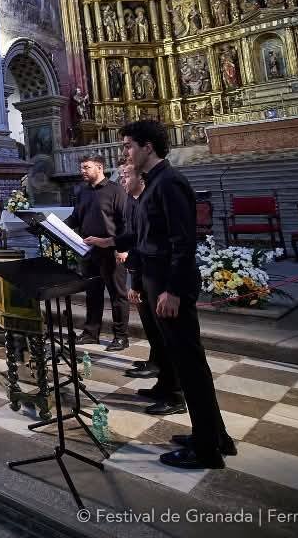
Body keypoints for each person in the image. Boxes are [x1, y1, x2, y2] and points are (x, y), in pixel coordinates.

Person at [86, 121, 235, 470]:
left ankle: (207, 450)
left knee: (190, 366)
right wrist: (109, 242)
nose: (125, 153)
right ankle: (216, 436)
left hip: (168, 284)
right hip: (155, 280)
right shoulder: (153, 185)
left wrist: (173, 290)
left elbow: (183, 243)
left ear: (148, 147)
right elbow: (144, 236)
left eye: (128, 146)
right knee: (187, 363)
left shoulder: (169, 183)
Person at [117, 164, 181, 413]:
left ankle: (176, 395)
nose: (122, 178)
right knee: (156, 336)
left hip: (159, 278)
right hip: (145, 276)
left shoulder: (161, 191)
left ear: (141, 179)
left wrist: (168, 288)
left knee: (168, 340)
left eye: (126, 175)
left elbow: (146, 244)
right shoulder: (134, 202)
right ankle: (164, 385)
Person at [67, 154, 130, 351]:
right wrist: (53, 226)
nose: (82, 171)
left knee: (117, 294)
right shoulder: (82, 191)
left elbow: (125, 221)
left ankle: (121, 336)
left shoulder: (116, 190)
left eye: (86, 167)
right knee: (92, 293)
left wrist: (122, 248)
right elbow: (76, 218)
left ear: (100, 167)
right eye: (82, 167)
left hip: (111, 251)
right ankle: (91, 332)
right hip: (89, 251)